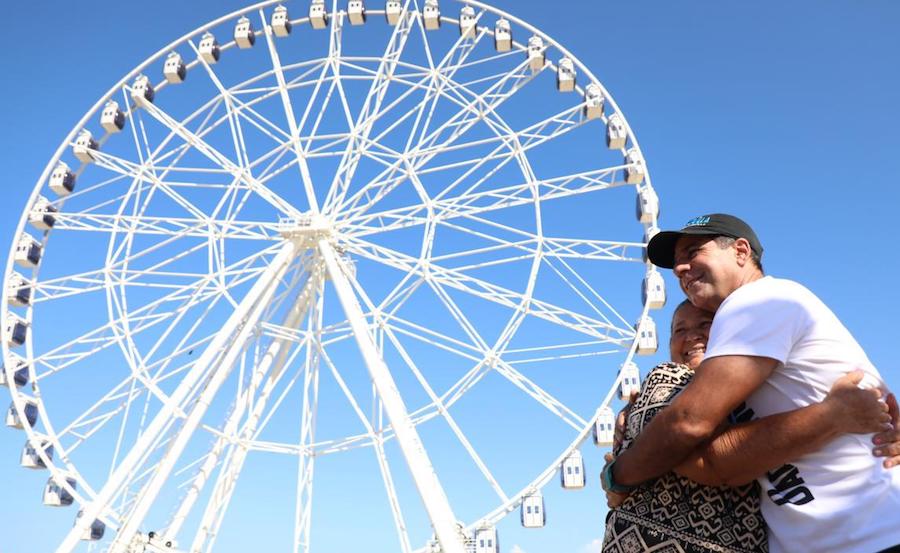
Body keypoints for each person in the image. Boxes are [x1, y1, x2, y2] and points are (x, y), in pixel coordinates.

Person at [602, 213, 900, 553]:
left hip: (870, 534)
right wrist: (644, 417)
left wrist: (620, 474)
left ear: (741, 252)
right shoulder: (734, 355)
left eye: (693, 252)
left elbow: (689, 427)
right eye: (676, 263)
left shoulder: (761, 300)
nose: (680, 268)